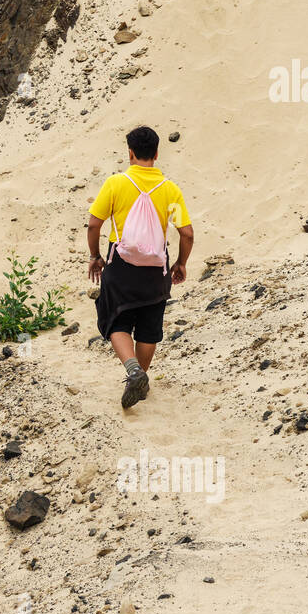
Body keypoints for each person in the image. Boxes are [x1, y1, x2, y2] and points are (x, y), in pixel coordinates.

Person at [87, 126, 194, 408]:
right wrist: (181, 263)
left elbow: (94, 224)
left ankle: (133, 372)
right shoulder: (170, 189)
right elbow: (187, 233)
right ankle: (141, 377)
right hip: (156, 267)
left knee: (117, 318)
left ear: (130, 154)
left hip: (120, 262)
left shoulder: (115, 184)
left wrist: (94, 256)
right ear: (157, 154)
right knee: (149, 325)